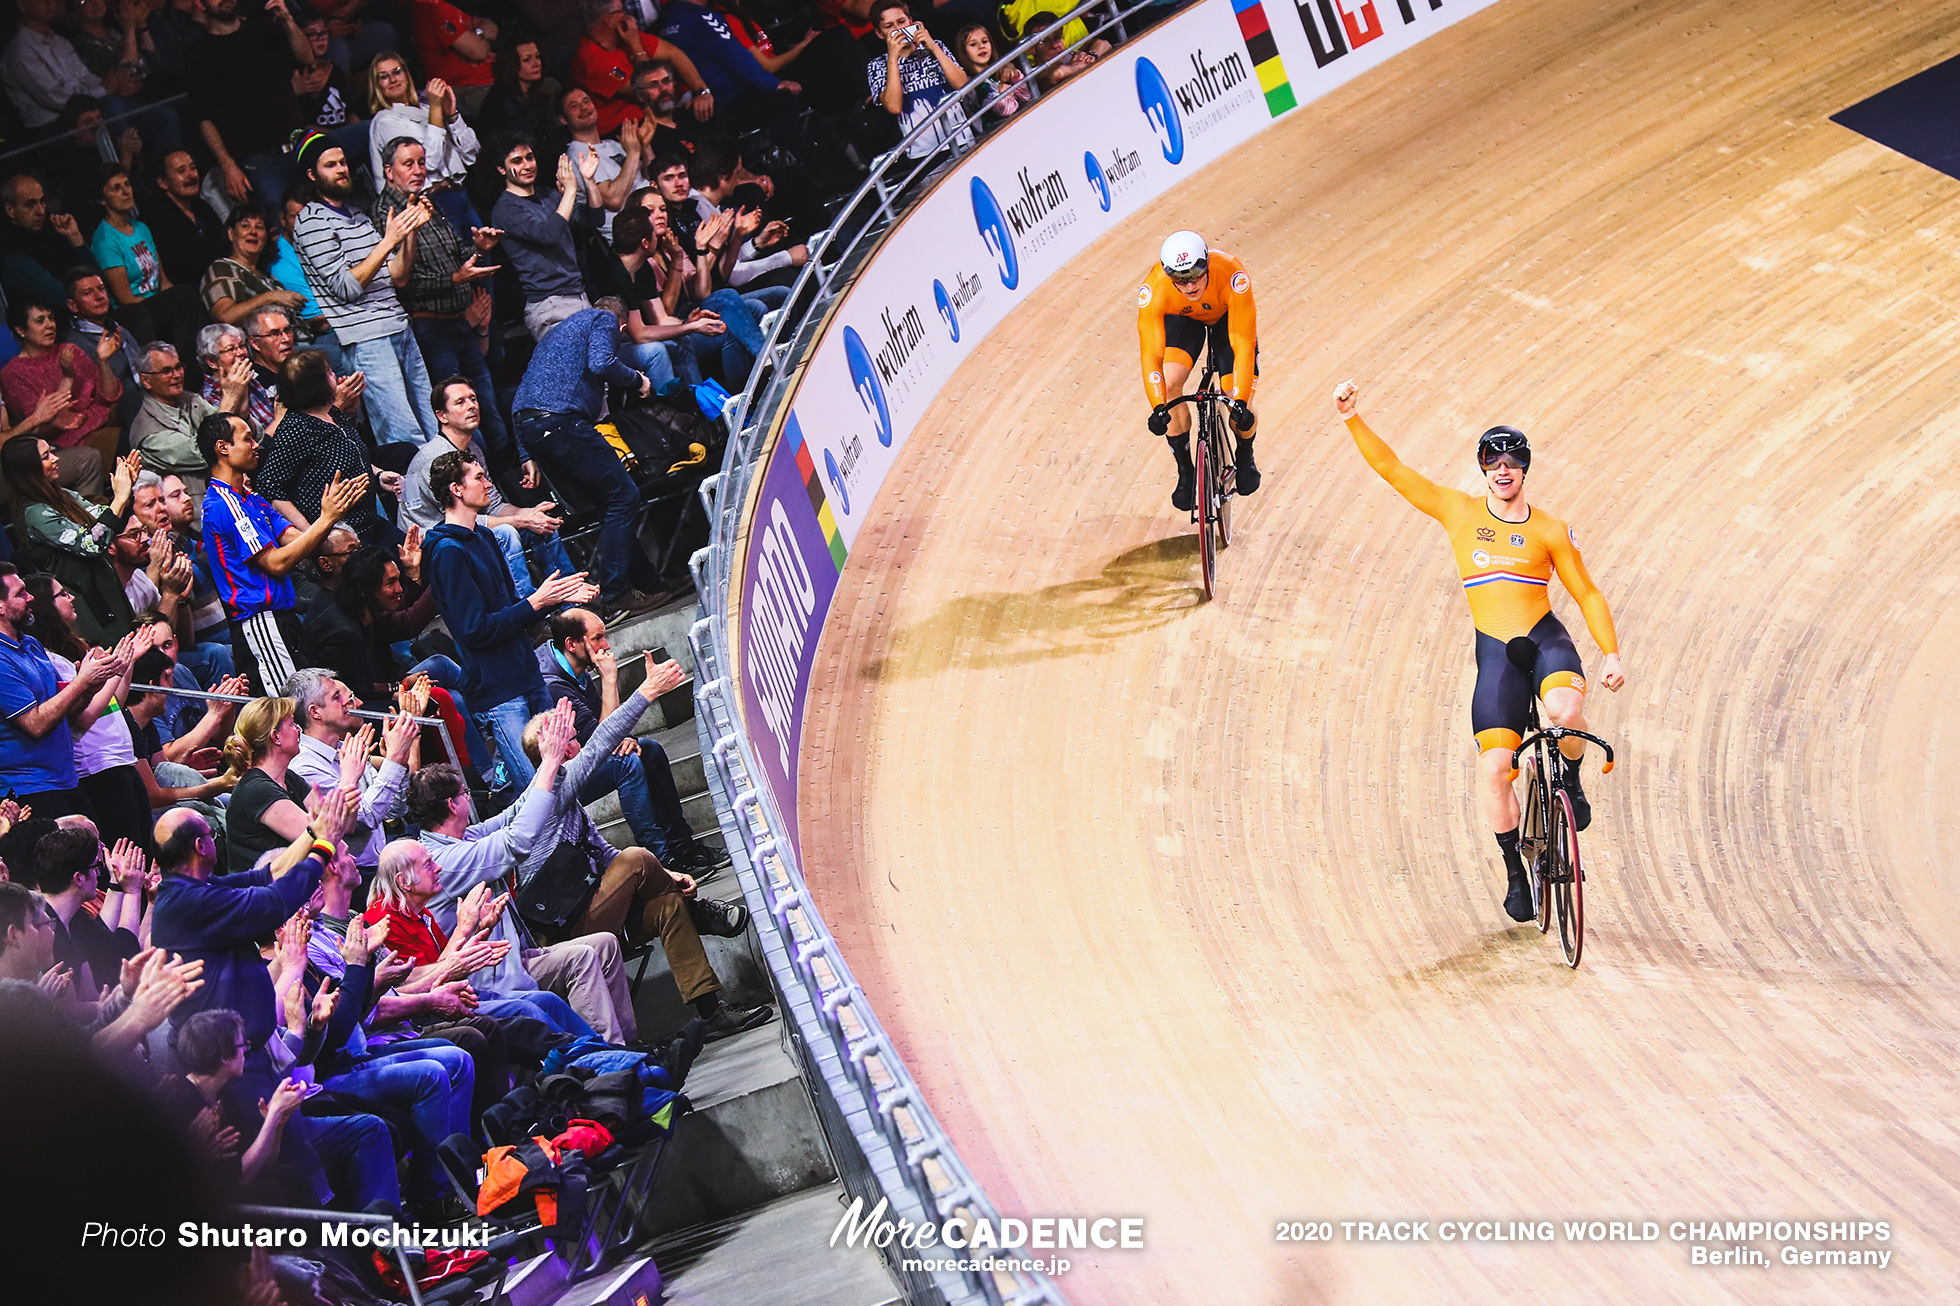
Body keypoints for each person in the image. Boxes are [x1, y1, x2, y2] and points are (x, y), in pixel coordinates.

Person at [1335, 379, 1626, 921]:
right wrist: (1353, 418)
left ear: (1524, 469)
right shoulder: (1459, 513)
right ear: (1484, 469)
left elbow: (1586, 591)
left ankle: (1572, 781)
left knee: (1566, 713)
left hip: (1544, 642)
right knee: (1495, 769)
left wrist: (1610, 653)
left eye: (1513, 460)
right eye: (1494, 461)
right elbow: (1396, 472)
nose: (1503, 469)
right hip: (1497, 659)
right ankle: (1517, 873)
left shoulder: (1550, 530)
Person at [424, 448, 597, 788]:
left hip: (528, 677)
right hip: (500, 694)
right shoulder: (447, 552)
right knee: (539, 794)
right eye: (479, 478)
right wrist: (535, 603)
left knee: (564, 785)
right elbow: (474, 629)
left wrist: (554, 599)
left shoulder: (485, 536)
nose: (488, 484)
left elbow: (514, 609)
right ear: (456, 489)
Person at [510, 301, 671, 623]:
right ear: (622, 326)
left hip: (533, 426)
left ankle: (649, 584)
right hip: (561, 421)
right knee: (623, 496)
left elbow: (520, 400)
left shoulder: (556, 337)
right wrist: (637, 381)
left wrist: (526, 454)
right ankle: (615, 593)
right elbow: (602, 362)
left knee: (611, 502)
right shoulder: (602, 319)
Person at [540, 606, 731, 878]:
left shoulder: (577, 669)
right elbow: (600, 740)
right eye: (597, 638)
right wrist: (608, 678)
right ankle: (662, 864)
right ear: (571, 644)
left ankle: (684, 849)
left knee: (649, 750)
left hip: (586, 756)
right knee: (626, 764)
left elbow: (605, 731)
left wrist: (625, 737)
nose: (605, 645)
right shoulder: (553, 686)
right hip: (560, 782)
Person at [199, 412, 368, 693]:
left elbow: (300, 541)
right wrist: (326, 519)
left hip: (282, 618)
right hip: (260, 623)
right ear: (223, 447)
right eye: (247, 438)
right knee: (292, 712)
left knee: (309, 705)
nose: (257, 445)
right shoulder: (223, 505)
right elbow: (277, 563)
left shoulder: (250, 498)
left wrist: (335, 517)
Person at [290, 131, 439, 447]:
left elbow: (397, 276)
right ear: (312, 174)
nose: (342, 169)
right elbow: (346, 288)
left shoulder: (357, 216)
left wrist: (409, 229)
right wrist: (389, 240)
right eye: (331, 165)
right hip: (368, 339)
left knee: (433, 424)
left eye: (343, 162)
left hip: (399, 326)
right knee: (403, 435)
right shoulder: (310, 221)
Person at [372, 136, 509, 454]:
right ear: (389, 171)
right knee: (462, 422)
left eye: (422, 162)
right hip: (428, 328)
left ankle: (512, 490)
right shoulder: (386, 213)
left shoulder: (424, 201)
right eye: (409, 164)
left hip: (459, 322)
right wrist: (454, 278)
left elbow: (454, 251)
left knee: (490, 412)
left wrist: (477, 248)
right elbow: (402, 280)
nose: (419, 170)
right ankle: (481, 491)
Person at [21, 573, 150, 849]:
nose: (72, 598)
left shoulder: (72, 651)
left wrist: (126, 664)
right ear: (47, 606)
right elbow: (83, 718)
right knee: (128, 854)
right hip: (98, 766)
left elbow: (114, 701)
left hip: (119, 758)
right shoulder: (50, 660)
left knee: (145, 852)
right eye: (62, 594)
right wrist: (113, 670)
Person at [406, 376, 572, 588]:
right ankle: (528, 613)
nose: (472, 406)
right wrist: (521, 520)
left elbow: (493, 505)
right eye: (460, 402)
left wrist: (528, 513)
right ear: (442, 415)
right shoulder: (435, 460)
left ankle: (571, 603)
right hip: (434, 543)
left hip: (467, 528)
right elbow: (459, 522)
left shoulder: (472, 449)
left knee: (541, 524)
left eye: (473, 399)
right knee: (507, 532)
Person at [1139, 230, 1261, 510]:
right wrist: (1158, 406)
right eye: (1181, 280)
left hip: (1227, 320)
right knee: (1170, 388)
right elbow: (1151, 355)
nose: (1190, 285)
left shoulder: (1231, 273)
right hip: (1183, 321)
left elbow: (1243, 344)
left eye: (1195, 273)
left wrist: (1240, 402)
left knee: (1235, 398)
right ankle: (1186, 472)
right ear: (1170, 276)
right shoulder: (1155, 288)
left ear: (1206, 264)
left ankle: (1245, 455)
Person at [0, 561, 124, 821]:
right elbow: (34, 723)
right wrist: (81, 683)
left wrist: (90, 686)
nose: (31, 597)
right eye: (20, 593)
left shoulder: (31, 645)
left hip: (67, 779)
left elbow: (64, 712)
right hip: (31, 790)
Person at [2, 439, 142, 646]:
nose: (56, 458)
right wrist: (119, 499)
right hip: (86, 606)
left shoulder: (63, 495)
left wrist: (124, 491)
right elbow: (91, 544)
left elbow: (101, 517)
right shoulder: (34, 515)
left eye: (51, 452)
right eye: (46, 456)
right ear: (28, 469)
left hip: (105, 589)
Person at [282, 667, 418, 875]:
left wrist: (399, 764)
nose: (350, 702)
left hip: (381, 863)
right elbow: (365, 818)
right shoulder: (304, 767)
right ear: (315, 712)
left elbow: (395, 810)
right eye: (337, 697)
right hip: (352, 876)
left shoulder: (345, 747)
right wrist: (393, 759)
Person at [258, 350, 400, 546]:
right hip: (341, 536)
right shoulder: (296, 428)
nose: (335, 376)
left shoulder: (332, 412)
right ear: (316, 385)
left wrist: (378, 475)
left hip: (369, 521)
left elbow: (352, 453)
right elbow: (270, 486)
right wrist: (311, 534)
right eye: (329, 373)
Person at [185, 0, 312, 208]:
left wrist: (288, 19)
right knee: (283, 224)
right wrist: (227, 165)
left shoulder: (264, 30)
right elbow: (204, 119)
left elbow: (306, 57)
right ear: (200, 4)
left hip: (300, 143)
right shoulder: (199, 56)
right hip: (259, 162)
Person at [2, 298, 124, 495]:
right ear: (21, 330)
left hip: (101, 418)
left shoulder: (69, 350)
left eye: (51, 318)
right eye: (40, 321)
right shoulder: (12, 374)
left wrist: (103, 361)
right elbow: (47, 426)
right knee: (127, 441)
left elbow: (108, 398)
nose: (50, 325)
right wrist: (67, 378)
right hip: (70, 439)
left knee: (133, 403)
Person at [89, 163, 203, 365]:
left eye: (127, 185)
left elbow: (164, 282)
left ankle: (195, 362)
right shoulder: (105, 239)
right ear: (102, 199)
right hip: (133, 311)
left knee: (188, 295)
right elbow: (124, 297)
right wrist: (169, 302)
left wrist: (172, 300)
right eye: (116, 188)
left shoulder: (141, 228)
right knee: (181, 298)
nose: (125, 192)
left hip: (155, 302)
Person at [491, 135, 599, 341]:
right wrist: (570, 191)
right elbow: (547, 235)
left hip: (578, 294)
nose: (527, 165)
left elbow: (595, 218)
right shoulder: (506, 208)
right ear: (501, 169)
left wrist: (589, 180)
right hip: (550, 304)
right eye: (517, 161)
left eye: (529, 157)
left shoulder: (548, 195)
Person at [363, 51, 482, 224]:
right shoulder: (385, 121)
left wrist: (451, 116)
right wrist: (436, 108)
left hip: (459, 194)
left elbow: (472, 154)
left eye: (397, 71)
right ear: (377, 85)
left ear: (407, 75)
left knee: (482, 250)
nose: (393, 79)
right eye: (384, 76)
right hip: (428, 203)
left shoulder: (426, 110)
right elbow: (429, 163)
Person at [574, 0, 712, 136]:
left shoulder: (624, 35)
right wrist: (636, 45)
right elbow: (649, 90)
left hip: (654, 113)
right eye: (621, 11)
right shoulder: (592, 60)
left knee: (710, 110)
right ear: (609, 20)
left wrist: (702, 92)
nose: (627, 16)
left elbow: (673, 53)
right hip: (624, 128)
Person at [868, 1, 971, 162]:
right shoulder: (877, 65)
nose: (898, 30)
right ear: (880, 33)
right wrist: (893, 60)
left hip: (961, 137)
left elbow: (963, 86)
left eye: (901, 22)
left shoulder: (936, 47)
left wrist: (934, 47)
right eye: (889, 26)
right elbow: (894, 107)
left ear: (911, 21)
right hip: (923, 154)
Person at [202, 202, 309, 328]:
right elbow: (225, 318)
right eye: (245, 226)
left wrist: (313, 324)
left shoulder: (266, 276)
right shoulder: (222, 268)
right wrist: (271, 297)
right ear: (231, 233)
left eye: (259, 227)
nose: (253, 232)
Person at [62, 268, 146, 428]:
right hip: (120, 406)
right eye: (87, 293)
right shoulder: (75, 346)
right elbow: (99, 399)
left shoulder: (116, 328)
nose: (99, 296)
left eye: (101, 289)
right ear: (73, 305)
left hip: (145, 392)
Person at [140, 151, 227, 303]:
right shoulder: (155, 218)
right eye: (181, 171)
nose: (191, 175)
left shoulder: (201, 207)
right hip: (191, 295)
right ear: (163, 182)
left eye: (193, 168)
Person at [0, 173, 96, 305]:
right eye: (30, 204)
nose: (40, 211)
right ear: (10, 210)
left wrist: (76, 239)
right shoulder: (13, 256)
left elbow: (98, 278)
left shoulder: (54, 232)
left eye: (42, 201)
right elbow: (62, 297)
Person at [194, 323, 277, 436]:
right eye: (231, 349)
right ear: (212, 362)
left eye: (242, 346)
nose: (241, 353)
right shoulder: (209, 398)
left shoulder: (251, 379)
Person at [954, 25, 1032, 122]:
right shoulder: (976, 86)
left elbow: (1026, 96)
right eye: (973, 44)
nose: (981, 46)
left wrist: (1015, 76)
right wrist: (1007, 94)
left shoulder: (998, 73)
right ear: (963, 51)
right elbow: (1006, 109)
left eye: (984, 41)